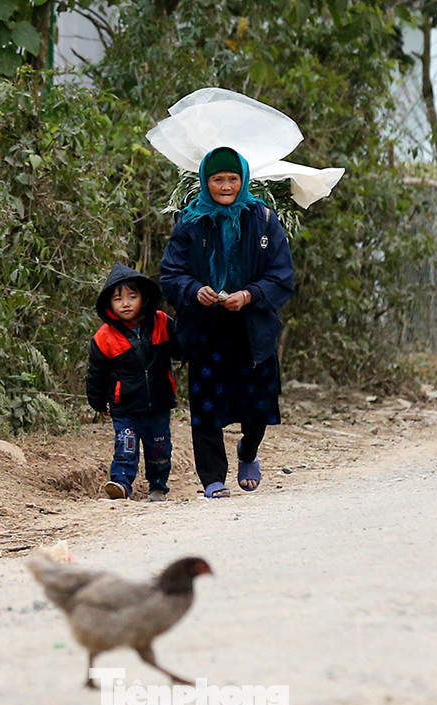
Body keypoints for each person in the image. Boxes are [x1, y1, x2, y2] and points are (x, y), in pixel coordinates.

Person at [160, 146, 294, 499]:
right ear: (205, 181)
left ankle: (248, 452)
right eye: (217, 179)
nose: (225, 186)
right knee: (206, 405)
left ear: (243, 180)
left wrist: (249, 295)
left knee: (258, 406)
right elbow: (171, 275)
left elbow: (282, 275)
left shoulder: (263, 218)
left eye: (232, 178)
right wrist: (195, 290)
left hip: (253, 329)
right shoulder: (190, 221)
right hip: (206, 329)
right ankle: (212, 478)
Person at [86, 263, 180, 501]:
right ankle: (121, 484)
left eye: (132, 296)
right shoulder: (104, 337)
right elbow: (96, 373)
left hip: (158, 403)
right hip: (125, 407)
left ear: (144, 299)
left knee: (160, 448)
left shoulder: (162, 322)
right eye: (118, 299)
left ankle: (158, 486)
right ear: (109, 305)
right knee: (125, 447)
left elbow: (180, 349)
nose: (125, 303)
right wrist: (98, 403)